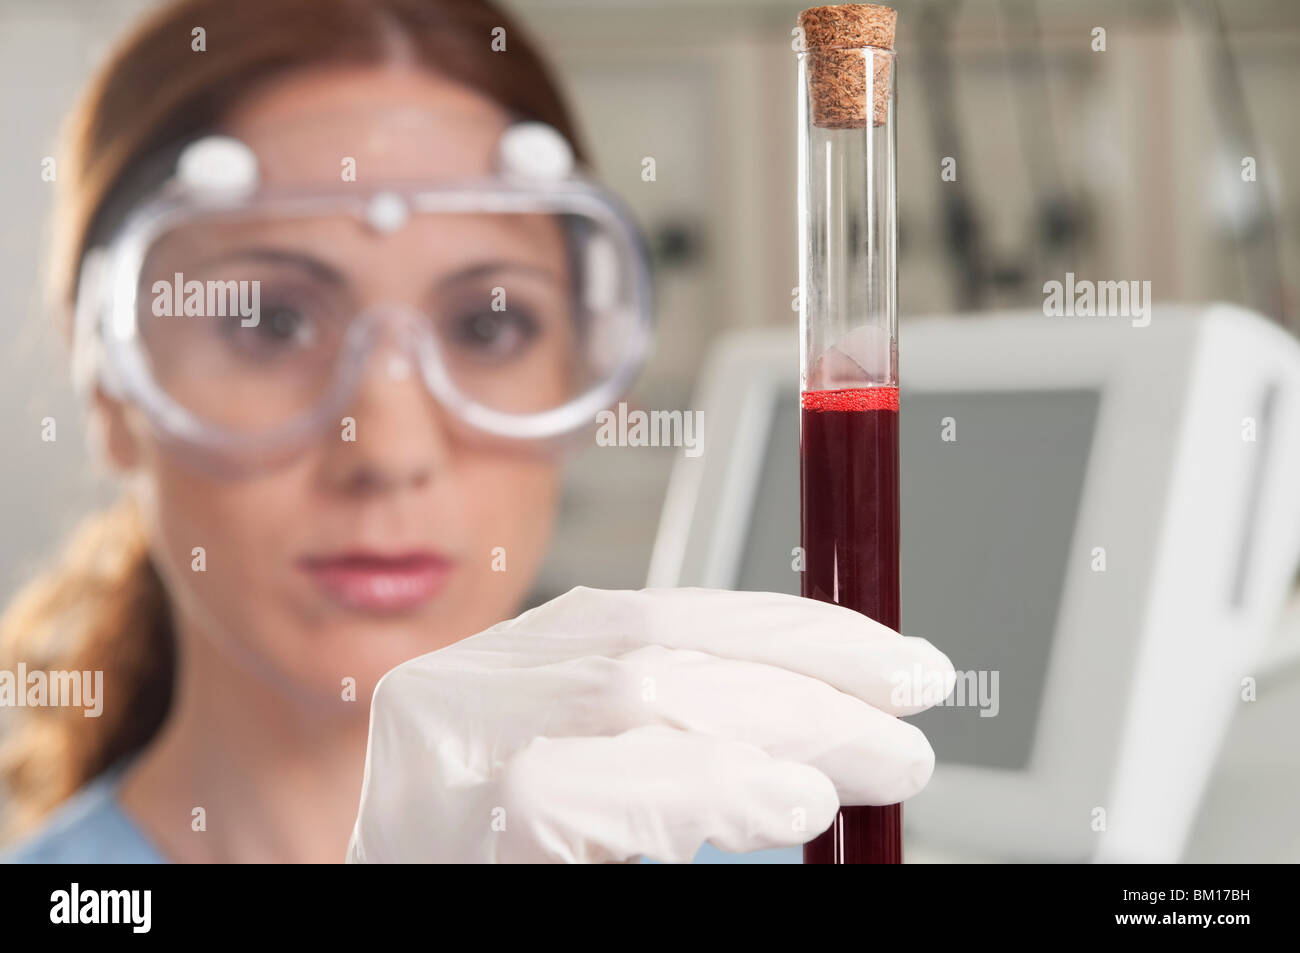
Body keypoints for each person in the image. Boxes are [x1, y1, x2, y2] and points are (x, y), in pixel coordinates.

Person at [0, 0, 953, 864]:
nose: (390, 452)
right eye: (268, 321)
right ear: (109, 387)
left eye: (488, 323)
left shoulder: (765, 832)